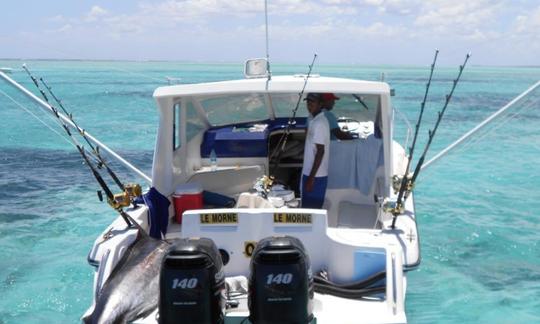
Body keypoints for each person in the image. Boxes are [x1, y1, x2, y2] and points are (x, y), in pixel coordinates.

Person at [301, 93, 330, 208]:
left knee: (311, 211)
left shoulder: (319, 124)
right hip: (309, 173)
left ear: (320, 104)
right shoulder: (313, 120)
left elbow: (320, 152)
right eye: (308, 102)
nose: (309, 105)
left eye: (312, 102)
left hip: (316, 176)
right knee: (307, 209)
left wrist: (311, 179)